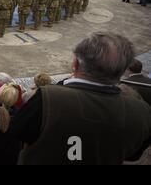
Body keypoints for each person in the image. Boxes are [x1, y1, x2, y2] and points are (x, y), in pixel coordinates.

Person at [10, 32, 151, 165]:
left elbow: (18, 132)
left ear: (75, 64)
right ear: (122, 71)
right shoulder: (142, 112)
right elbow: (134, 154)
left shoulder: (47, 98)